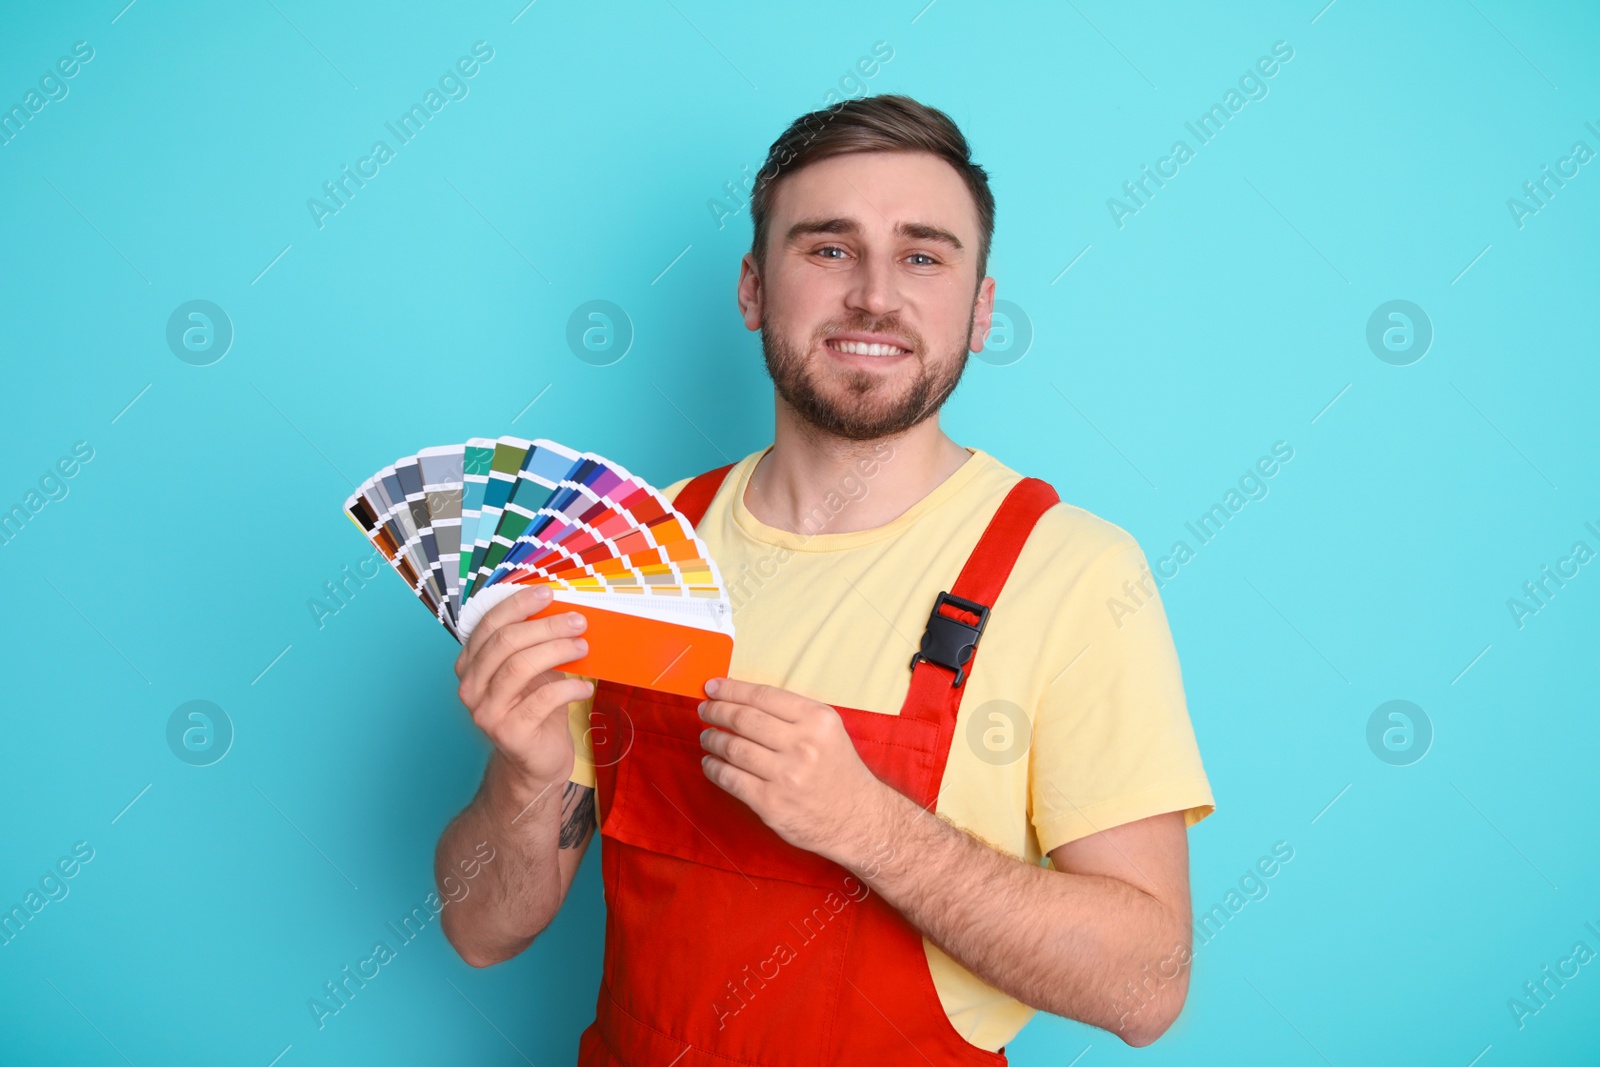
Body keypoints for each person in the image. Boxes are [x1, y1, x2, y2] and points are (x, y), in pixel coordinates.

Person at [434, 94, 1215, 1063]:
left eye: (922, 255)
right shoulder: (632, 555)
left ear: (978, 310)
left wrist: (868, 826)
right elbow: (480, 929)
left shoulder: (1074, 571)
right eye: (829, 248)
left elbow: (1146, 988)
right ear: (754, 288)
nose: (875, 296)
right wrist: (524, 774)